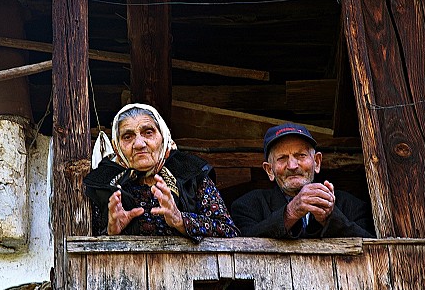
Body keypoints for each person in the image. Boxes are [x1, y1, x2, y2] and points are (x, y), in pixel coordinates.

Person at [84, 103, 240, 242]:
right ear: (116, 148)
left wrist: (180, 219)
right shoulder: (104, 184)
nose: (139, 144)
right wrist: (111, 233)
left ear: (164, 137)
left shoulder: (191, 173)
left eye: (148, 132)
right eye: (127, 136)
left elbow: (228, 231)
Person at [231, 122, 376, 239]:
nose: (292, 166)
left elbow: (375, 252)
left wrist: (329, 218)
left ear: (317, 162)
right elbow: (243, 246)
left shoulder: (351, 205)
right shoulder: (248, 205)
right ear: (270, 170)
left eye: (301, 155)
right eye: (282, 158)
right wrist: (291, 212)